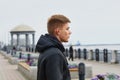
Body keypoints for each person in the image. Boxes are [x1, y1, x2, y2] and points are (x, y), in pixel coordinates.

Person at [35, 14, 72, 80]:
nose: (70, 32)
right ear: (58, 31)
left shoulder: (47, 50)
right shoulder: (54, 54)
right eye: (67, 29)